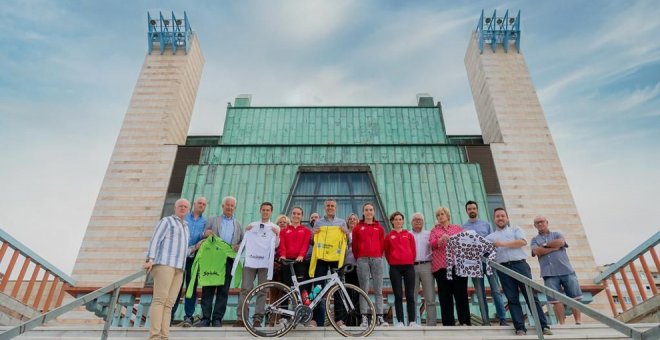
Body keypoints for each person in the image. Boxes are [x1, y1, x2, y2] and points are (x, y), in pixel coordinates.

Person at [486, 208, 552, 336]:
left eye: (502, 216)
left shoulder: (516, 229)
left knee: (531, 296)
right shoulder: (490, 237)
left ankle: (544, 326)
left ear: (507, 218)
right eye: (497, 216)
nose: (500, 218)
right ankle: (520, 328)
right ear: (494, 219)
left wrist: (502, 244)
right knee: (512, 298)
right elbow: (479, 248)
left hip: (520, 265)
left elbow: (522, 242)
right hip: (503, 269)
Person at [144, 198, 190, 340]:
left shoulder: (186, 226)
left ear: (188, 210)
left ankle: (164, 336)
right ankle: (155, 336)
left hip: (179, 268)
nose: (183, 208)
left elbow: (183, 249)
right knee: (160, 300)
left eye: (185, 207)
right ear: (175, 208)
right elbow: (155, 239)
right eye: (180, 206)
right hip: (165, 264)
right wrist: (150, 259)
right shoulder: (167, 221)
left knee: (169, 304)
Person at [198, 196, 243, 327]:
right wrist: (206, 232)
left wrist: (239, 246)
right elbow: (203, 233)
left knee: (223, 290)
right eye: (227, 205)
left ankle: (217, 319)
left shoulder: (238, 224)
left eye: (232, 206)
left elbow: (243, 241)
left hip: (229, 259)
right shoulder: (213, 220)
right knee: (208, 288)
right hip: (213, 259)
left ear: (234, 208)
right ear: (222, 206)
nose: (229, 207)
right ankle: (205, 318)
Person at [234, 202, 280, 327]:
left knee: (263, 291)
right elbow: (246, 241)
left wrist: (277, 235)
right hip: (250, 261)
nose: (265, 212)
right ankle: (241, 318)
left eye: (268, 210)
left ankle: (257, 319)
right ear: (260, 211)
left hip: (265, 263)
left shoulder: (274, 227)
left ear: (271, 212)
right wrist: (247, 232)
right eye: (263, 210)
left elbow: (275, 246)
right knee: (245, 289)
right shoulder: (251, 225)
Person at [462, 200, 507, 326]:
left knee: (496, 290)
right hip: (473, 262)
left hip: (488, 260)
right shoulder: (463, 227)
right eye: (469, 209)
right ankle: (486, 321)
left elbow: (492, 242)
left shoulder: (486, 225)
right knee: (480, 292)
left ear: (477, 210)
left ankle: (502, 319)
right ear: (467, 211)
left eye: (474, 208)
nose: (472, 210)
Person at [531, 216, 583, 325]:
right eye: (537, 223)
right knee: (555, 300)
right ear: (535, 226)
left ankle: (578, 321)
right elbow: (537, 251)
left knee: (574, 297)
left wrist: (544, 246)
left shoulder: (557, 234)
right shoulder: (534, 240)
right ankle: (562, 324)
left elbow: (560, 242)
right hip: (549, 274)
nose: (540, 224)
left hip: (566, 270)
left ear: (547, 222)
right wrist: (553, 247)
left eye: (542, 222)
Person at [309, 199, 349, 327]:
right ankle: (314, 319)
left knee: (338, 288)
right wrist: (312, 234)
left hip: (336, 259)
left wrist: (346, 234)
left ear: (335, 208)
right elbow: (312, 242)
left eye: (332, 206)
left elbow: (347, 242)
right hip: (321, 258)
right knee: (317, 287)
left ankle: (339, 320)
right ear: (324, 208)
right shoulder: (318, 222)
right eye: (328, 206)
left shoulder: (342, 222)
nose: (330, 207)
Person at [429, 206, 470, 326]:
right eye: (438, 215)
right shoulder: (434, 231)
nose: (440, 217)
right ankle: (448, 324)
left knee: (461, 295)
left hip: (458, 266)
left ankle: (465, 322)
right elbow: (431, 244)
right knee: (445, 296)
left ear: (447, 215)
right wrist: (441, 239)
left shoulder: (457, 228)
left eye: (442, 214)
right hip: (441, 267)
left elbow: (465, 242)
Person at [171, 197, 207, 327]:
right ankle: (170, 315)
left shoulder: (205, 222)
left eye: (204, 204)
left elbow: (204, 238)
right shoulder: (184, 217)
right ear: (194, 205)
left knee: (191, 287)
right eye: (199, 203)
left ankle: (188, 317)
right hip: (179, 256)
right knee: (176, 286)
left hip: (194, 258)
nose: (201, 205)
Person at [352, 203, 388, 327]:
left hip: (377, 259)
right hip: (362, 260)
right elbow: (355, 247)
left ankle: (380, 317)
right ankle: (364, 318)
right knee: (364, 289)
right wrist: (360, 257)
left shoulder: (379, 228)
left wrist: (377, 255)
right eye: (366, 210)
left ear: (374, 212)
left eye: (371, 210)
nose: (369, 212)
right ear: (363, 212)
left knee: (378, 290)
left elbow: (382, 244)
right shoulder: (357, 228)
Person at [384, 211, 417, 327]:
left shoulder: (409, 235)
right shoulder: (389, 236)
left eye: (400, 219)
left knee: (410, 295)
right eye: (396, 219)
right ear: (392, 221)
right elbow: (387, 253)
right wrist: (393, 262)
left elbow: (413, 251)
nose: (398, 221)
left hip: (408, 267)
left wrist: (409, 261)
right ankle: (400, 321)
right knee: (398, 295)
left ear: (403, 221)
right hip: (395, 268)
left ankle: (412, 321)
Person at [333, 213, 361, 327]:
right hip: (345, 265)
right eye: (350, 219)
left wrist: (348, 233)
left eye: (354, 219)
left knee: (358, 292)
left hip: (358, 265)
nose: (352, 221)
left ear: (358, 222)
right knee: (347, 292)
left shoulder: (358, 232)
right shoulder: (343, 233)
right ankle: (348, 320)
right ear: (347, 221)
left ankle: (358, 319)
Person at [410, 212, 437, 326]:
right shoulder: (407, 234)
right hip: (411, 267)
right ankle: (413, 323)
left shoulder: (429, 234)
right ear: (411, 222)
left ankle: (431, 325)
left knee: (430, 297)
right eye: (415, 219)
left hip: (427, 265)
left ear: (423, 221)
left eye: (420, 219)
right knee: (412, 297)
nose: (418, 221)